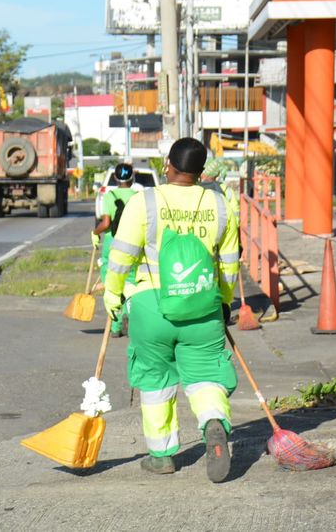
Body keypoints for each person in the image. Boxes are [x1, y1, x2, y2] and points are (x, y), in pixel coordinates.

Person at [102, 137, 240, 483]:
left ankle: (162, 454)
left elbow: (122, 256)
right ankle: (212, 423)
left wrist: (113, 295)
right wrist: (223, 302)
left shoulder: (144, 201)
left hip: (152, 306)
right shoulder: (220, 205)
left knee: (156, 380)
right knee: (206, 374)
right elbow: (229, 264)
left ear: (168, 164)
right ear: (201, 171)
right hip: (202, 305)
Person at [91, 163, 137, 336]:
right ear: (132, 178)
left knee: (111, 282)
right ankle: (128, 314)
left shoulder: (110, 196)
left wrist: (95, 233)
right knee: (130, 282)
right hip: (132, 243)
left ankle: (116, 326)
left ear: (116, 179)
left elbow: (106, 223)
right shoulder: (137, 196)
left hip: (113, 244)